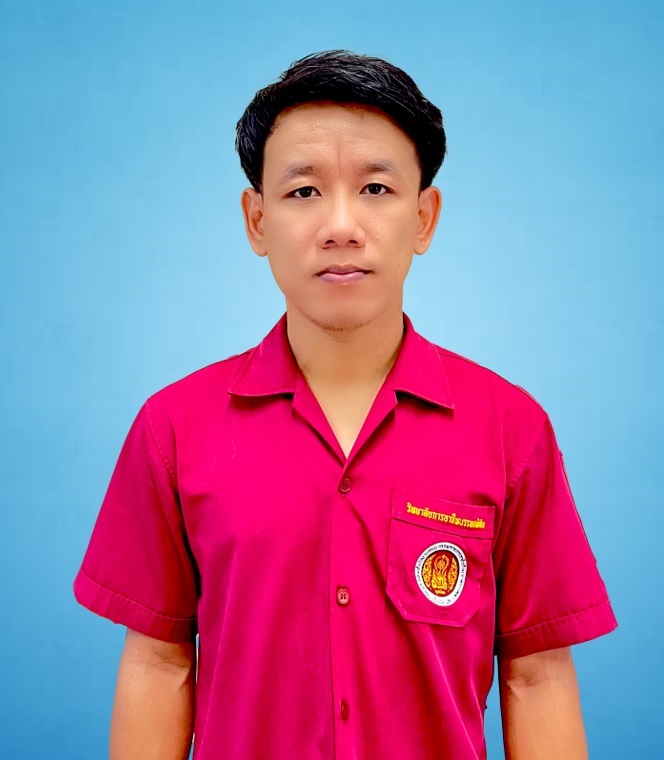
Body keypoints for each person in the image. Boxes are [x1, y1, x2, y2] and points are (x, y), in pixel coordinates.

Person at [73, 50, 617, 760]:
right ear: (256, 220)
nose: (340, 225)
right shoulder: (174, 429)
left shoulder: (511, 429)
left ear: (424, 217)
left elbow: (536, 675)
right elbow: (158, 661)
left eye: (376, 189)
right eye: (303, 191)